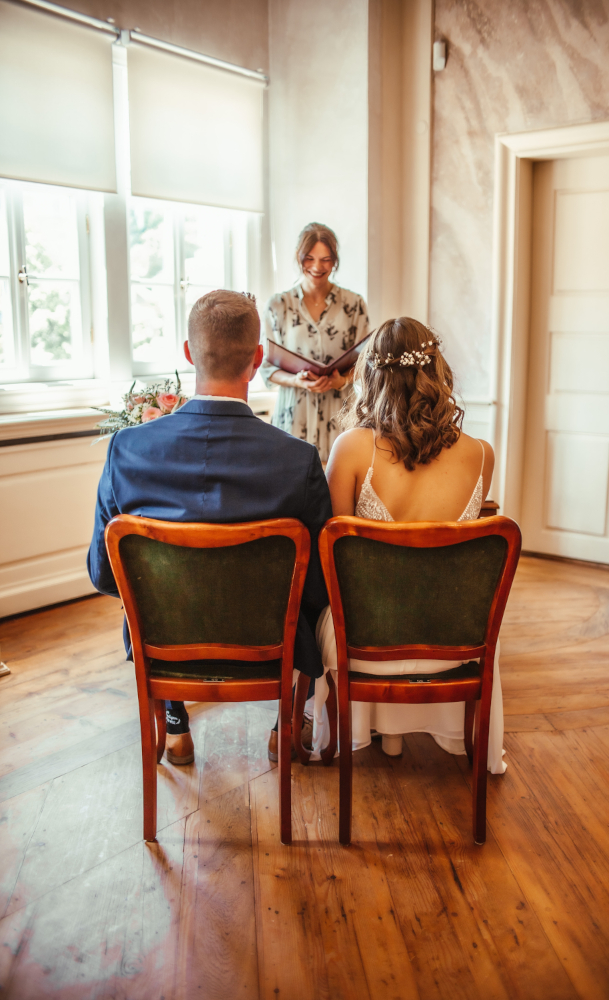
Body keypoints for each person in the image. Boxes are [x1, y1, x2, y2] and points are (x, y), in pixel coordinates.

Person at [87, 290, 332, 766]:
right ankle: (286, 725)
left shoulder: (126, 450)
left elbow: (102, 574)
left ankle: (174, 725)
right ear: (257, 359)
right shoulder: (298, 460)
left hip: (165, 649)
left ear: (187, 353)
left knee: (162, 599)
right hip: (271, 647)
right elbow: (323, 584)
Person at [311, 316, 506, 774]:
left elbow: (332, 556)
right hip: (456, 642)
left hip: (363, 645)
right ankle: (397, 732)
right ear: (436, 372)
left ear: (371, 375)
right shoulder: (481, 453)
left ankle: (376, 731)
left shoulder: (353, 448)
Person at [260, 222, 369, 462]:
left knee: (339, 486)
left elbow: (365, 361)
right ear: (299, 258)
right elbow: (266, 368)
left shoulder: (354, 305)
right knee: (292, 486)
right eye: (309, 258)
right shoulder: (278, 305)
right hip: (294, 414)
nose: (317, 267)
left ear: (335, 260)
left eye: (326, 259)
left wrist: (343, 379)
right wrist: (296, 381)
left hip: (339, 413)